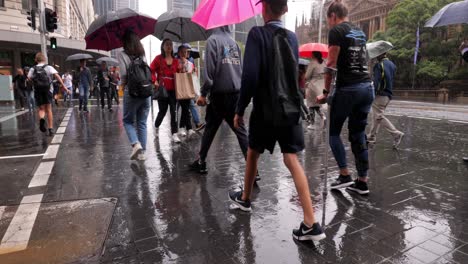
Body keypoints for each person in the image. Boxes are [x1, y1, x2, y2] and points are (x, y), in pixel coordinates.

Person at [229, 0, 325, 242]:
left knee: (253, 151)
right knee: (291, 158)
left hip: (266, 106)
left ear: (263, 9)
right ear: (285, 10)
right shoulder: (292, 38)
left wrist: (240, 109)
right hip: (289, 106)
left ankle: (245, 200)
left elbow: (250, 75)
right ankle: (311, 222)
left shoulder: (256, 33)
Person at [316, 0, 374, 195]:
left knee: (332, 132)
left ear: (333, 16)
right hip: (367, 87)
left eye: (328, 20)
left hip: (348, 88)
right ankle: (362, 181)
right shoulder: (360, 32)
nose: (328, 24)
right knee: (358, 134)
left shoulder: (336, 31)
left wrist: (325, 94)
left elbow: (331, 63)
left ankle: (344, 175)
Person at [118, 30, 151, 161]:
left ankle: (135, 143)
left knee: (127, 121)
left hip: (132, 92)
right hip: (146, 92)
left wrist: (122, 87)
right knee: (142, 122)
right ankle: (142, 153)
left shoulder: (122, 55)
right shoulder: (142, 53)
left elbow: (124, 75)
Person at [367, 52, 404, 148]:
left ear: (379, 54)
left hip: (380, 94)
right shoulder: (392, 65)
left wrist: (372, 93)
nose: (375, 57)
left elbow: (376, 82)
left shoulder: (379, 65)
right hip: (388, 95)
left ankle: (396, 133)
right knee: (376, 116)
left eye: (376, 55)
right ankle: (371, 137)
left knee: (378, 116)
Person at [28, 52, 70, 135]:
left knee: (41, 109)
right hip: (48, 90)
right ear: (44, 59)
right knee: (49, 109)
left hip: (38, 90)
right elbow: (57, 76)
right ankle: (50, 129)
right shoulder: (48, 67)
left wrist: (34, 83)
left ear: (36, 60)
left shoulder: (33, 68)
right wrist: (64, 87)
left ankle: (42, 119)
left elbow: (29, 78)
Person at [150, 39, 183, 143]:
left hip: (174, 90)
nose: (169, 46)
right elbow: (150, 70)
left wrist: (182, 70)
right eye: (167, 44)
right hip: (162, 90)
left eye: (170, 45)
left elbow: (180, 74)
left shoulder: (176, 60)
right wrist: (154, 81)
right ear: (163, 47)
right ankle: (156, 126)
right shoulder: (158, 59)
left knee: (174, 111)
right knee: (162, 112)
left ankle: (174, 133)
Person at [304, 51, 327, 130]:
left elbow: (307, 76)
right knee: (317, 104)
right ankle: (323, 117)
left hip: (313, 86)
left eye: (312, 54)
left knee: (311, 105)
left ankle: (312, 123)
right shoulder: (324, 62)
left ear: (314, 55)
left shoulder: (313, 63)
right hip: (321, 86)